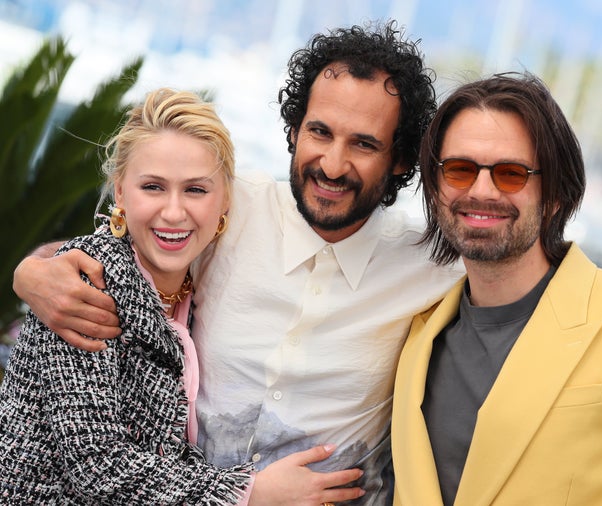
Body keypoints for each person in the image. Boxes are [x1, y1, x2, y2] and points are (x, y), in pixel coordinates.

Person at [11, 22, 602, 505]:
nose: (332, 162)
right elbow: (128, 241)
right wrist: (34, 271)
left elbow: (538, 276)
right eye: (318, 132)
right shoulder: (226, 210)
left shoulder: (434, 268)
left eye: (364, 144)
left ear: (404, 162)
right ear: (293, 133)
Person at [0, 88, 364, 505]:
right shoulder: (87, 280)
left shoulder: (192, 286)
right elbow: (97, 464)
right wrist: (251, 492)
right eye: (153, 187)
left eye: (195, 190)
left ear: (226, 199)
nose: (173, 212)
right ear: (120, 192)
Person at [391, 72, 602, 506]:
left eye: (511, 174)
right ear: (435, 189)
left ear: (556, 196)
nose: (481, 190)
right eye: (459, 169)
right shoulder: (413, 325)